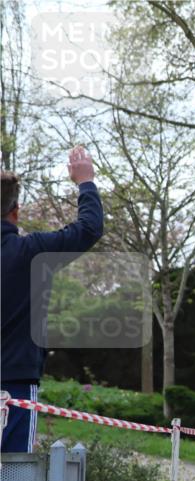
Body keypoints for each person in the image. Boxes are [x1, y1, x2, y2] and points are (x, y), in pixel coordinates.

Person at [1, 147, 104, 453]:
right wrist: (85, 182)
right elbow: (88, 228)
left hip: (16, 380)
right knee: (12, 479)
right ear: (16, 211)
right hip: (15, 385)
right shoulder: (31, 252)